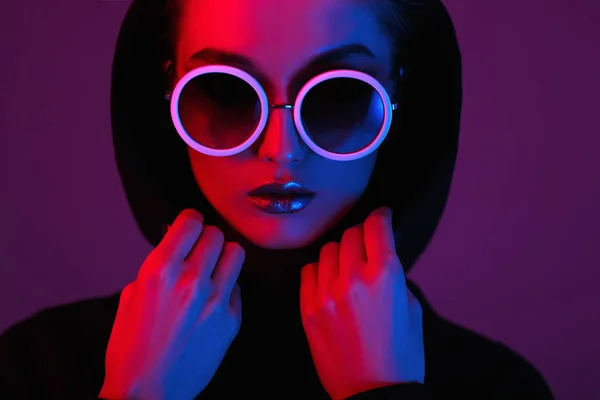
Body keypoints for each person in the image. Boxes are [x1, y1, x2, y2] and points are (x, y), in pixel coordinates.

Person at [0, 0, 555, 399]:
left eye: (339, 94)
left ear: (401, 98)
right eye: (225, 92)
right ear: (165, 95)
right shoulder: (37, 369)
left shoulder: (497, 387)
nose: (280, 152)